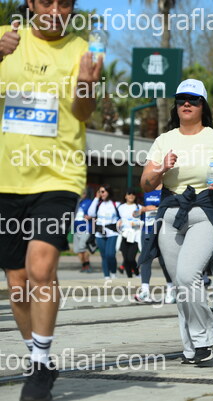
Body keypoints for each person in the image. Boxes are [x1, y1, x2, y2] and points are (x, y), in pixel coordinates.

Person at [0, 0, 102, 398]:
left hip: (59, 176)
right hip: (7, 179)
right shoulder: (6, 40)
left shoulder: (83, 50)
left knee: (40, 267)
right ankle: (37, 356)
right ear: (30, 4)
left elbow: (83, 112)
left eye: (64, 3)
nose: (55, 10)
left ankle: (40, 365)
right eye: (46, 1)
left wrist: (87, 85)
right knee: (17, 283)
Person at [139, 78, 213, 363]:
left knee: (188, 276)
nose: (187, 103)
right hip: (170, 214)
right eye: (182, 99)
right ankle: (191, 347)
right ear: (176, 105)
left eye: (194, 99)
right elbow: (146, 184)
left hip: (205, 212)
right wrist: (161, 168)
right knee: (180, 285)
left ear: (202, 105)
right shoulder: (164, 141)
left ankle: (205, 339)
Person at [134, 185, 176, 303]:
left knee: (164, 261)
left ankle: (171, 290)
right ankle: (145, 291)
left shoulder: (168, 189)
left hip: (163, 230)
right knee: (145, 259)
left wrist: (158, 209)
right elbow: (135, 214)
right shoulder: (146, 191)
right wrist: (143, 210)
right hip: (147, 230)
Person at [88, 186, 121, 280]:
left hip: (112, 232)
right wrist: (96, 198)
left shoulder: (116, 204)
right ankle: (106, 276)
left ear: (108, 192)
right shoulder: (98, 204)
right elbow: (90, 214)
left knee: (110, 254)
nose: (101, 193)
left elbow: (122, 216)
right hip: (100, 233)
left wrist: (121, 222)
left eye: (103, 191)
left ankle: (113, 273)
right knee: (104, 256)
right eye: (100, 192)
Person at [116, 189, 143, 278]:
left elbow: (143, 222)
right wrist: (118, 223)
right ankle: (129, 278)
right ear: (125, 196)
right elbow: (118, 219)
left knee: (131, 258)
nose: (131, 196)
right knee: (126, 259)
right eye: (129, 194)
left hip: (135, 236)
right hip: (124, 235)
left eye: (133, 194)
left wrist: (136, 225)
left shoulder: (139, 207)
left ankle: (137, 274)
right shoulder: (120, 207)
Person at [73, 189, 94, 273]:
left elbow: (95, 212)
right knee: (77, 249)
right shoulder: (76, 202)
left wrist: (91, 216)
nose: (81, 194)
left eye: (83, 193)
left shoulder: (89, 202)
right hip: (76, 229)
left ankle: (87, 265)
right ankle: (83, 265)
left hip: (86, 229)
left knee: (82, 247)